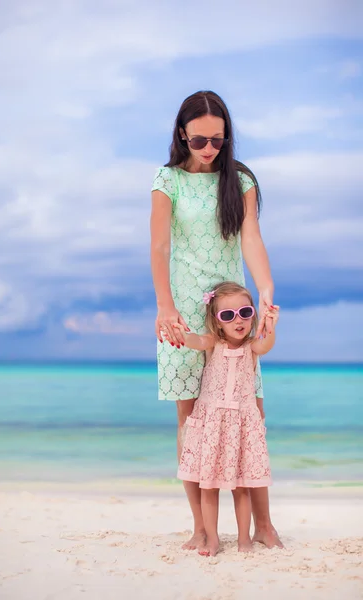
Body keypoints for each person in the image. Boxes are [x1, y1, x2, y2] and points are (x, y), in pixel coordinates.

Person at [150, 90, 282, 550]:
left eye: (218, 141)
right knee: (191, 419)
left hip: (232, 312)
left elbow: (251, 237)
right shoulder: (167, 180)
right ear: (182, 135)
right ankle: (202, 528)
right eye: (200, 140)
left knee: (251, 412)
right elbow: (160, 247)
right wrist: (165, 305)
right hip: (184, 309)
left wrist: (264, 292)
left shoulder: (239, 178)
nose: (209, 149)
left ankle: (264, 526)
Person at [172, 281, 279, 556]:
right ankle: (212, 538)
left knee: (241, 486)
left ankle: (245, 539)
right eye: (228, 315)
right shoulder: (213, 343)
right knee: (208, 486)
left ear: (253, 314)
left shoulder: (252, 348)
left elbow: (267, 344)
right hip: (212, 425)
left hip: (240, 426)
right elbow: (194, 340)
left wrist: (271, 325)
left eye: (245, 312)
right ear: (218, 323)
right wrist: (178, 332)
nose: (238, 320)